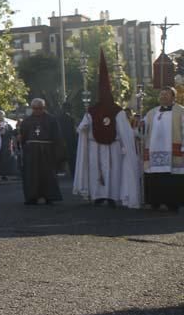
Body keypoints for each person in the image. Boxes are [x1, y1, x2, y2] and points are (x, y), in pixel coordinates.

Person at [73, 51, 140, 208]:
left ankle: (112, 196)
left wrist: (129, 141)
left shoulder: (117, 111)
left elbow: (125, 131)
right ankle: (98, 196)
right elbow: (81, 128)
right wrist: (84, 127)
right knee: (96, 171)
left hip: (113, 147)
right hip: (95, 146)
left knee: (113, 171)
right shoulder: (92, 111)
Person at [140, 86, 184, 212]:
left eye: (166, 94)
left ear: (173, 97)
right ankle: (155, 201)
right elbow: (142, 130)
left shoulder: (181, 111)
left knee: (172, 177)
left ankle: (173, 203)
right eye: (161, 94)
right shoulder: (151, 112)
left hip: (173, 150)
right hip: (154, 150)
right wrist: (140, 125)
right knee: (155, 176)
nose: (163, 97)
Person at [18, 98, 65, 205]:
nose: (37, 110)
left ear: (44, 108)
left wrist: (58, 153)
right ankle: (32, 196)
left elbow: (57, 137)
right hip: (31, 152)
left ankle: (49, 196)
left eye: (39, 108)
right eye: (34, 108)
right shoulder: (27, 121)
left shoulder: (52, 120)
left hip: (47, 151)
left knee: (47, 174)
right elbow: (23, 137)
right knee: (31, 175)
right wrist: (20, 140)